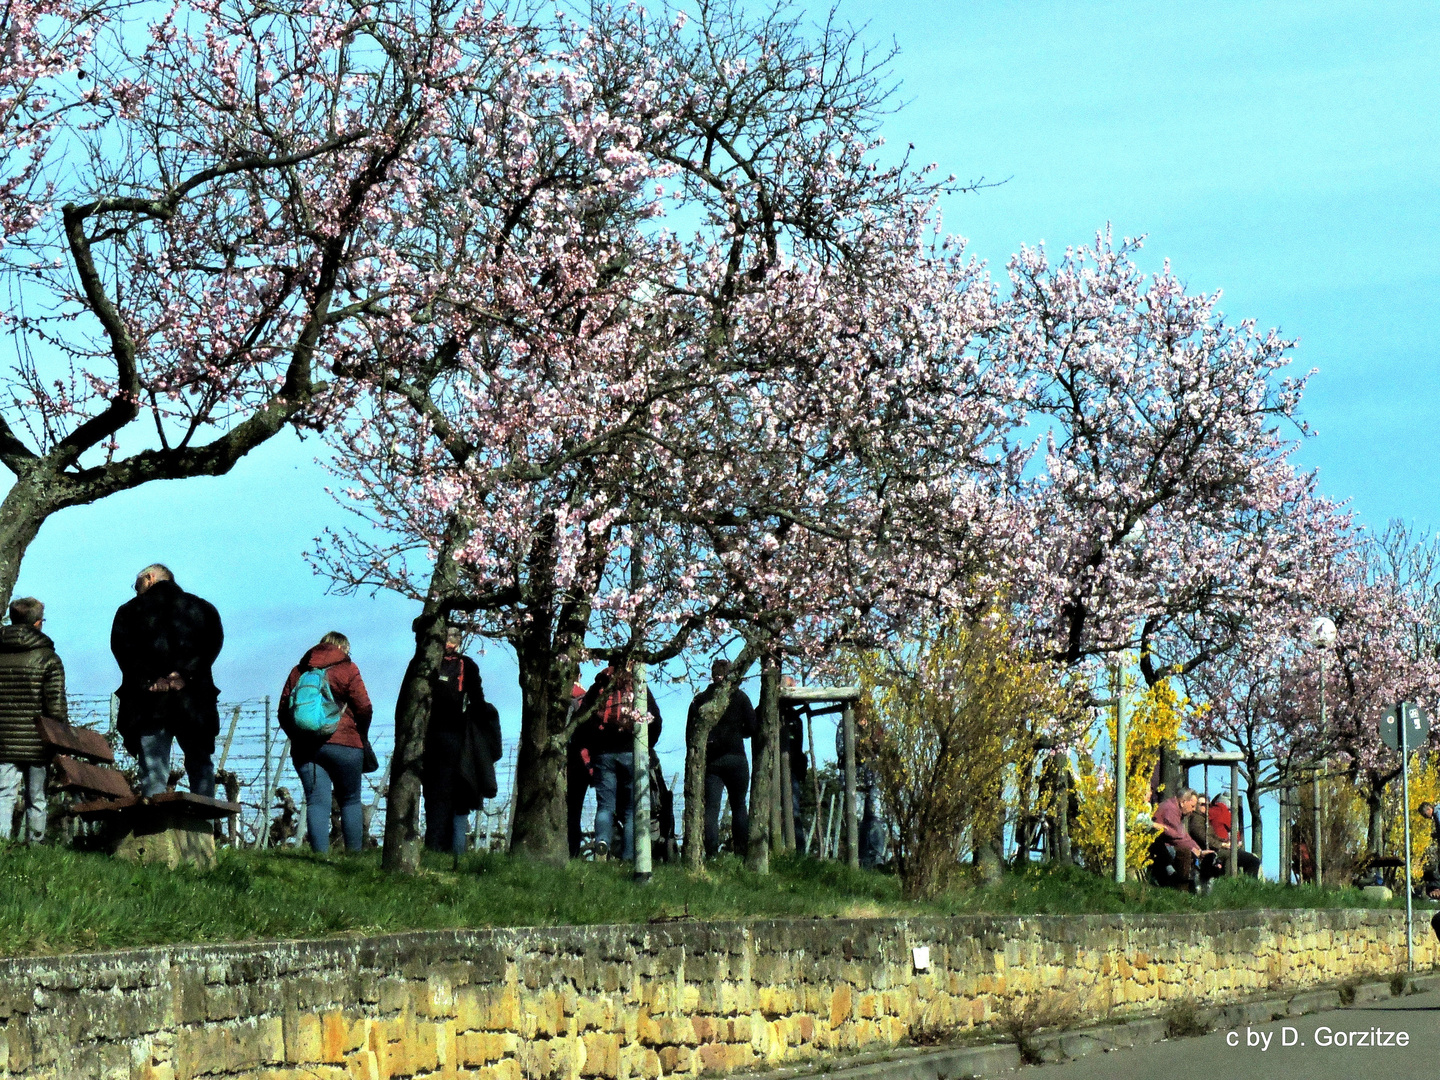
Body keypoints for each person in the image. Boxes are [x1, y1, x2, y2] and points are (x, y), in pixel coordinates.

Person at [111, 564, 223, 798]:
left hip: (148, 702)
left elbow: (123, 650)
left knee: (153, 770)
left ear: (150, 578)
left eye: (137, 583)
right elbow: (212, 645)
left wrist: (151, 679)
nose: (136, 589)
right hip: (194, 701)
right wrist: (185, 675)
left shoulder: (128, 612)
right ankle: (204, 828)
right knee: (201, 765)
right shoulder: (203, 609)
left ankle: (155, 828)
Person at [278, 632, 374, 853]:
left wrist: (298, 736)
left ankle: (319, 857)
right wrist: (360, 733)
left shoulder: (300, 670)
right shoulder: (348, 668)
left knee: (316, 802)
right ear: (344, 648)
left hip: (307, 748)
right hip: (346, 745)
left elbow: (284, 710)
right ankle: (354, 857)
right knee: (350, 801)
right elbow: (364, 707)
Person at [420, 627, 502, 857]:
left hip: (432, 738)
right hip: (459, 739)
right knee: (459, 800)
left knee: (436, 797)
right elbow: (478, 701)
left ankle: (434, 850)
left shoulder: (427, 663)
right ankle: (457, 854)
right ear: (459, 642)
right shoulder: (468, 665)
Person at [0, 598, 66, 842]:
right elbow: (55, 706)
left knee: (3, 794)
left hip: (3, 740)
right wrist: (61, 739)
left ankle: (1, 845)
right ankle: (35, 846)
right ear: (38, 623)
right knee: (37, 797)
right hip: (38, 742)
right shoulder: (48, 658)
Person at [580, 664, 662, 860]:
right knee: (631, 810)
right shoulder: (638, 685)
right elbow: (656, 719)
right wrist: (647, 745)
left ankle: (602, 842)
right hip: (631, 752)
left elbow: (583, 718)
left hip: (603, 754)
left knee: (605, 806)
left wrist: (594, 745)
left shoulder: (599, 686)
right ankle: (628, 857)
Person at [689, 659, 756, 859]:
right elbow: (753, 727)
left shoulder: (701, 699)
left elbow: (691, 731)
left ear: (713, 674)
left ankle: (711, 854)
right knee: (739, 805)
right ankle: (741, 853)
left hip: (712, 761)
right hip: (736, 757)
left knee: (711, 808)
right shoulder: (740, 697)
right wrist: (739, 733)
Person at [835, 705, 886, 868]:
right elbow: (843, 749)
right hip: (853, 778)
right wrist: (863, 746)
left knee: (875, 818)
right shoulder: (846, 724)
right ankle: (855, 857)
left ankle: (875, 858)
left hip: (873, 777)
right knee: (855, 818)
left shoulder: (875, 725)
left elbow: (882, 746)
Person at [1150, 787, 1213, 891]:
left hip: (1164, 845)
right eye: (1192, 806)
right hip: (1158, 846)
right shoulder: (1170, 810)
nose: (1193, 810)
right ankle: (1181, 888)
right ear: (1183, 802)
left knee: (1188, 850)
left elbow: (1183, 836)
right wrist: (1195, 850)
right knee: (1185, 852)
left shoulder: (1176, 809)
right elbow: (1176, 838)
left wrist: (1199, 850)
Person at [779, 679, 809, 851]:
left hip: (793, 768)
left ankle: (798, 849)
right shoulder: (792, 719)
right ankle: (797, 849)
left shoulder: (795, 719)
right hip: (785, 768)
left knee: (793, 810)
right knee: (791, 810)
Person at [1207, 793, 1262, 877]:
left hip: (1216, 846)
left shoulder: (1211, 811)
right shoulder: (1222, 810)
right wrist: (1238, 840)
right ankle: (1249, 884)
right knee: (1253, 860)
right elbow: (1233, 828)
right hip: (1224, 848)